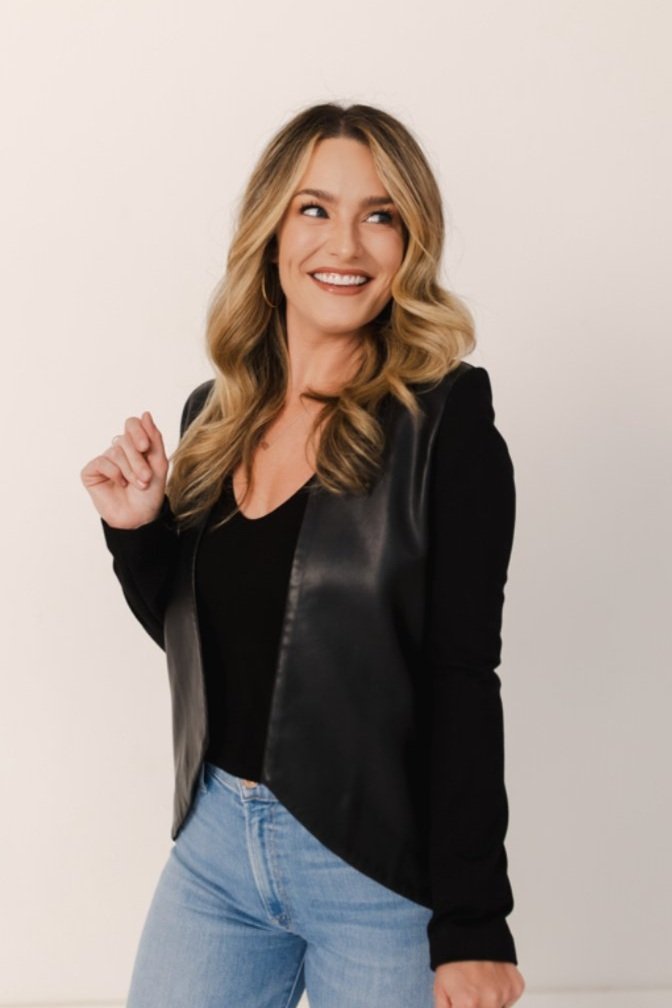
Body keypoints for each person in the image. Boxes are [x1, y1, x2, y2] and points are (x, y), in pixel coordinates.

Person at [81, 101, 526, 1008]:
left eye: (381, 214)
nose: (348, 244)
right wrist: (136, 534)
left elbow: (461, 679)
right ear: (273, 233)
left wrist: (474, 923)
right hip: (213, 852)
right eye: (316, 209)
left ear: (410, 244)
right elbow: (210, 641)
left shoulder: (447, 428)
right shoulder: (216, 410)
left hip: (372, 874)